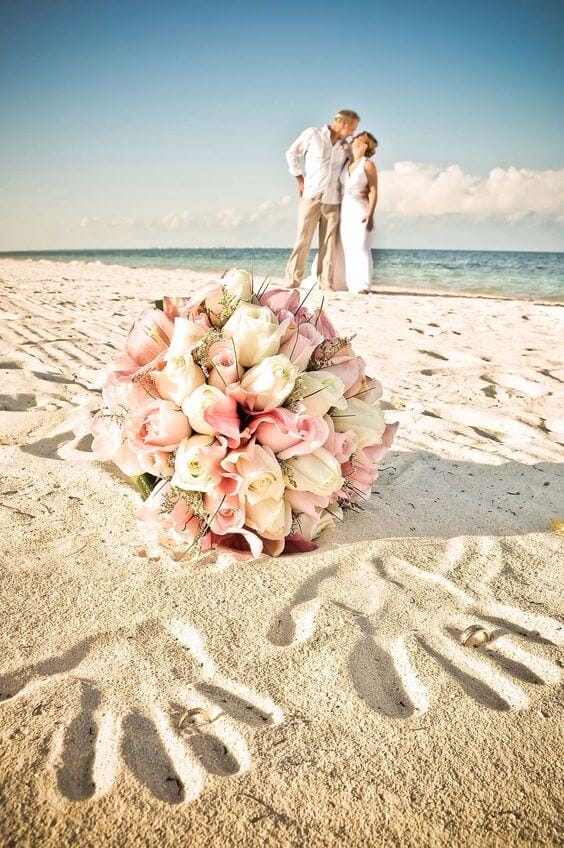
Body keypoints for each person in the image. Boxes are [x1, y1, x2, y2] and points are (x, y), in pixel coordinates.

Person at [284, 109, 360, 290]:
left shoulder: (345, 147)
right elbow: (291, 153)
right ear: (341, 122)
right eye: (352, 128)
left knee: (329, 244)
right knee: (302, 239)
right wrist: (299, 178)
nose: (352, 133)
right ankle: (292, 280)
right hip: (311, 195)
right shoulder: (313, 134)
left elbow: (354, 167)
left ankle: (326, 283)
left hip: (333, 200)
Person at [337, 131, 379, 294]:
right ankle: (349, 283)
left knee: (361, 246)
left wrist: (370, 213)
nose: (353, 139)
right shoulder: (346, 163)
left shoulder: (367, 164)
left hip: (360, 209)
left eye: (357, 138)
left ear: (365, 145)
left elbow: (373, 190)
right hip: (344, 211)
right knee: (347, 247)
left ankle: (363, 285)